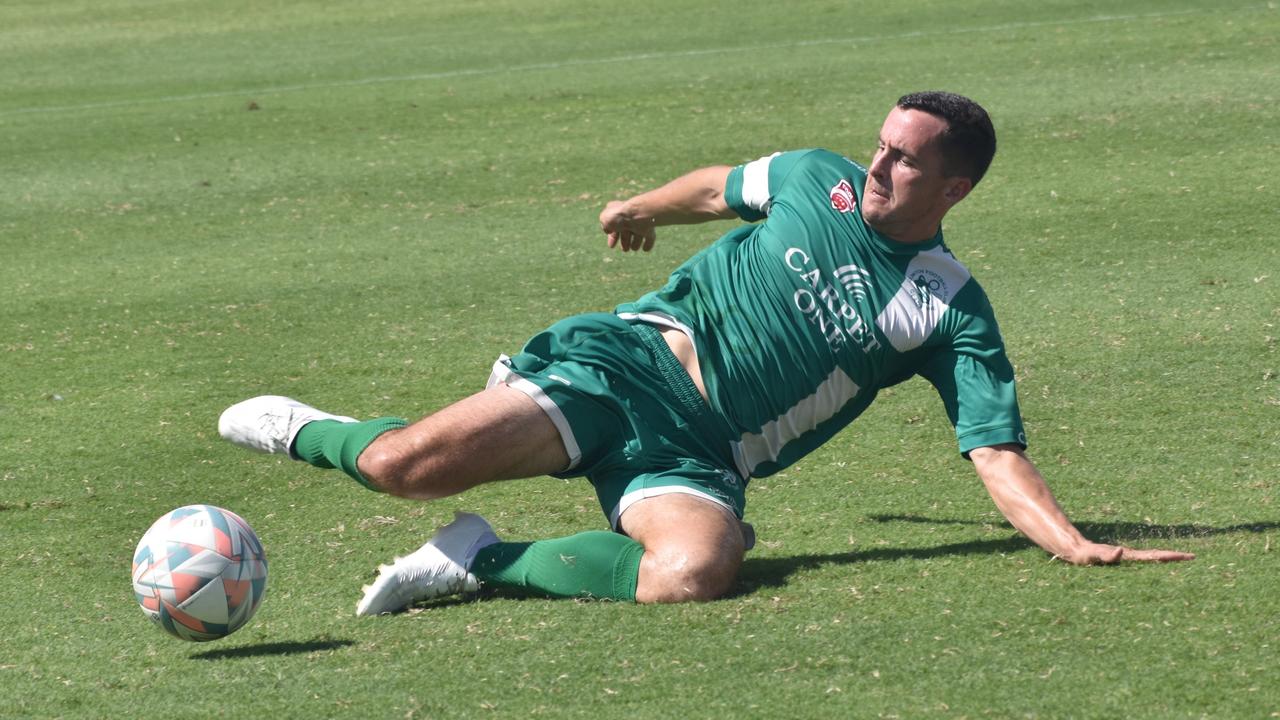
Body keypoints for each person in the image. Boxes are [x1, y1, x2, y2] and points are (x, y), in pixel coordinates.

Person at [219, 91, 1194, 616]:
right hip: (621, 368)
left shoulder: (946, 308)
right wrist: (637, 207)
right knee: (401, 467)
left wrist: (1067, 542)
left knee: (695, 571)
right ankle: (305, 430)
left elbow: (992, 448)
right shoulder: (817, 180)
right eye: (880, 144)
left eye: (904, 160)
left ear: (954, 187)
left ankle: (481, 561)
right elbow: (721, 188)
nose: (877, 165)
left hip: (695, 457)